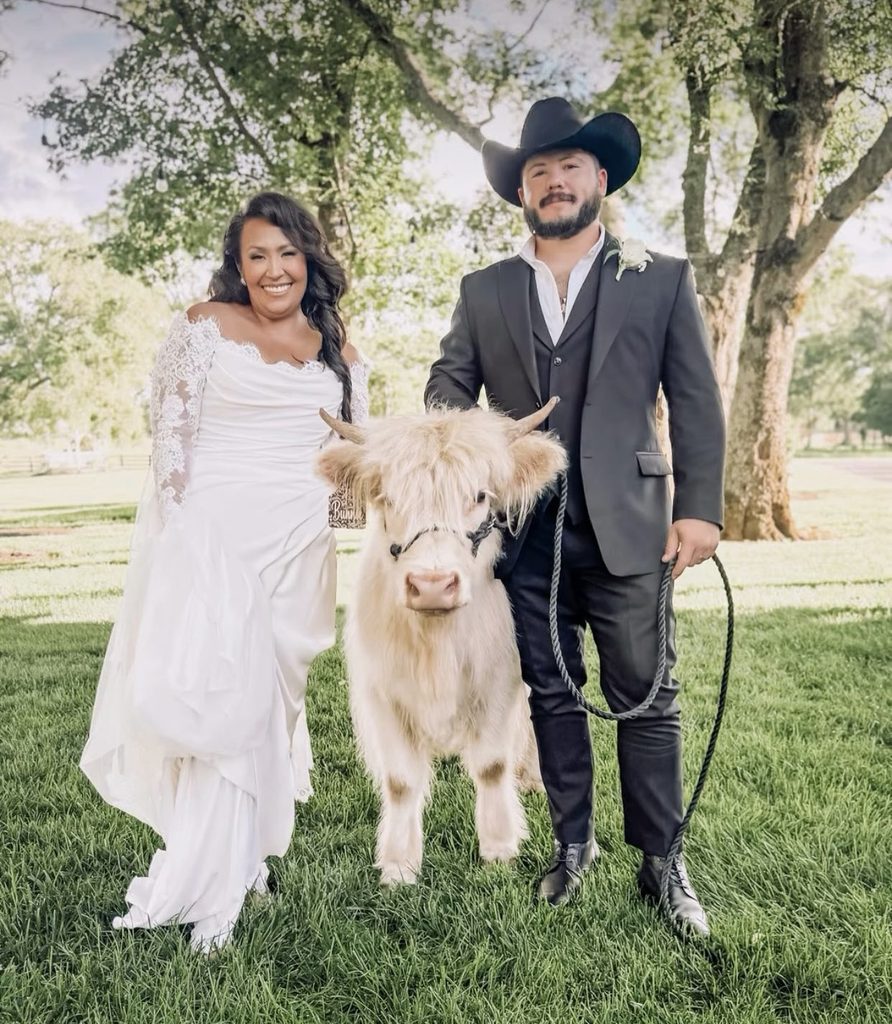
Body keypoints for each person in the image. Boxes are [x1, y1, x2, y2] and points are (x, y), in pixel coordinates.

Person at [425, 98, 725, 936]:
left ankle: (663, 862)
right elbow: (447, 387)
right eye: (537, 172)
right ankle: (573, 844)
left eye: (568, 168)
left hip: (631, 521)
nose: (554, 183)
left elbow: (695, 399)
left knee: (647, 696)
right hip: (526, 534)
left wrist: (698, 509)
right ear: (522, 190)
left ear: (598, 179)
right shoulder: (484, 289)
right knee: (553, 693)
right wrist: (487, 436)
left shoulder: (659, 276)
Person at [81, 191, 369, 953]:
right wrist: (180, 542)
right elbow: (169, 438)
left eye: (287, 254)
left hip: (301, 547)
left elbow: (352, 458)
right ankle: (208, 884)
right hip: (217, 539)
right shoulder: (203, 325)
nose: (274, 270)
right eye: (257, 256)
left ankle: (247, 862)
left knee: (273, 707)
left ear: (310, 259)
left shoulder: (336, 344)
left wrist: (348, 536)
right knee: (221, 705)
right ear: (237, 267)